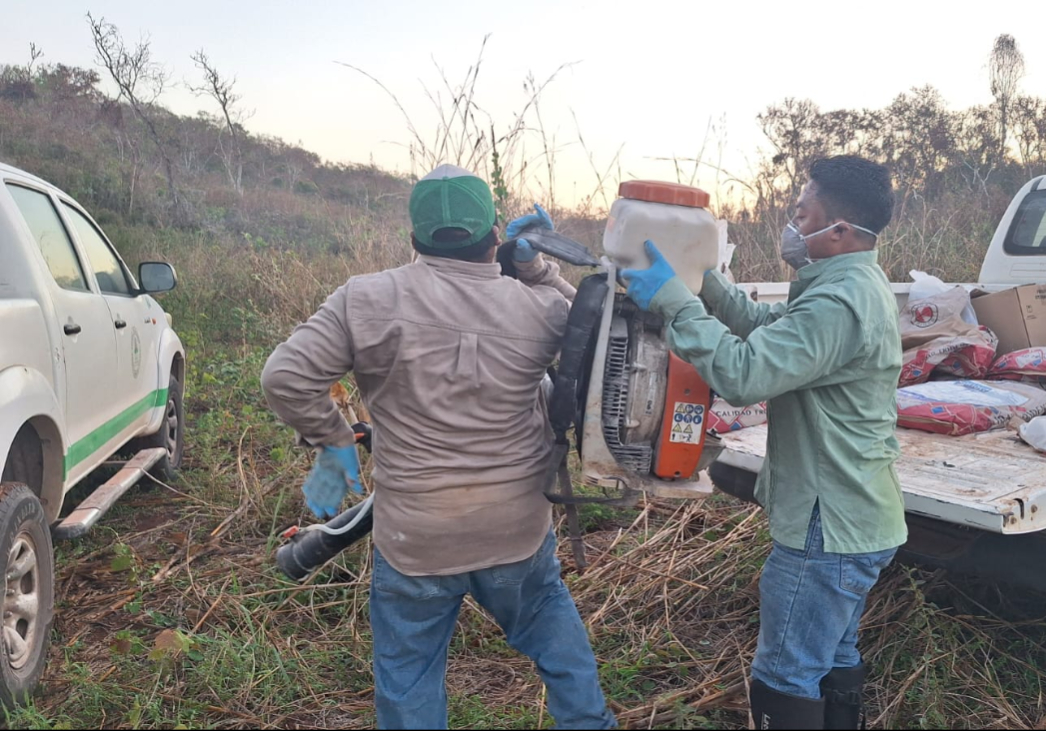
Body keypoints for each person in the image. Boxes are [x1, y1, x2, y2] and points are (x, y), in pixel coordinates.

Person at [260, 164, 615, 731]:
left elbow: (284, 378)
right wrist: (538, 269)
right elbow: (596, 333)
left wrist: (334, 442)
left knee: (409, 679)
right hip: (515, 530)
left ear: (413, 239)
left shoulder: (365, 299)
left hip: (415, 536)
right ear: (495, 237)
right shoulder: (537, 307)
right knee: (555, 636)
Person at [621, 155, 907, 730]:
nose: (792, 225)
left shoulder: (837, 304)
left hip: (828, 528)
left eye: (803, 215)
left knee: (784, 676)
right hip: (859, 518)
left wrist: (674, 302)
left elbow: (745, 374)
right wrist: (706, 282)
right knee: (833, 657)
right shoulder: (848, 284)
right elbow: (770, 330)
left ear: (841, 230)